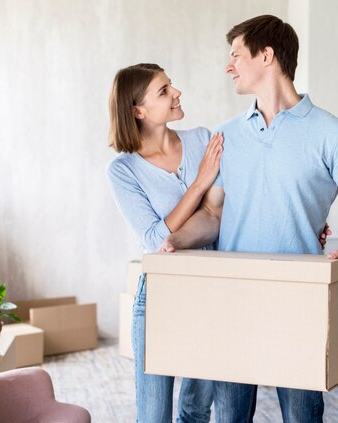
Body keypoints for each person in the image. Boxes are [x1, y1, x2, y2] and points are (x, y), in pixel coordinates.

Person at [159, 15, 338, 423]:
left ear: (267, 56)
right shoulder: (226, 136)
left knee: (302, 417)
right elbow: (213, 213)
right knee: (230, 417)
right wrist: (177, 241)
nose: (228, 66)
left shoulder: (334, 134)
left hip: (300, 303)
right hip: (233, 299)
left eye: (235, 55)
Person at [106, 63, 220, 423]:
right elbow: (156, 239)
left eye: (171, 85)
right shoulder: (123, 170)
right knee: (154, 416)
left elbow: (222, 217)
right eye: (164, 90)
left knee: (196, 411)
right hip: (159, 298)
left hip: (212, 292)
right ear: (138, 111)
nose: (177, 93)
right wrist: (200, 183)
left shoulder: (203, 139)